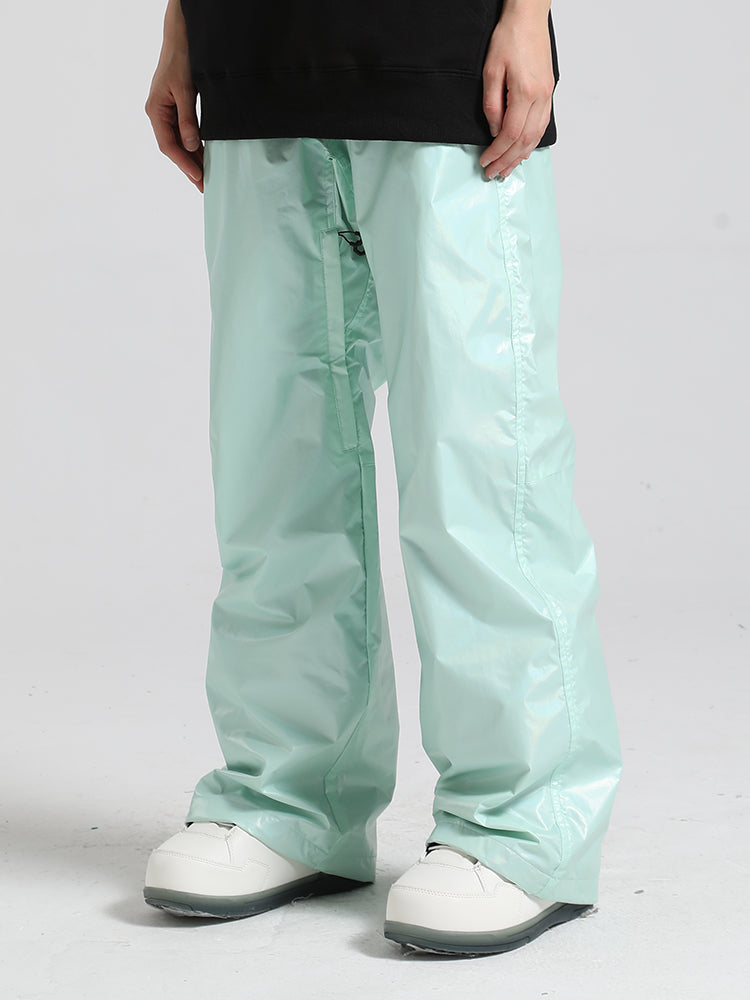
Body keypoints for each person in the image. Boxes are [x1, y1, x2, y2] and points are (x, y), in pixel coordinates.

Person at [143, 0, 623, 957]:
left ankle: (526, 822)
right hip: (255, 50)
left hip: (446, 53)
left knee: (479, 462)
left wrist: (527, 10)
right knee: (274, 466)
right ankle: (291, 798)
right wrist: (182, 22)